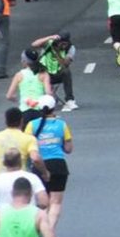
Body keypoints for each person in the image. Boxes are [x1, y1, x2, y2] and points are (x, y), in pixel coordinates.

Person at [25, 96, 72, 228]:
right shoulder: (62, 125)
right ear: (54, 107)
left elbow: (27, 145)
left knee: (41, 203)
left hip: (39, 166)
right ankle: (49, 230)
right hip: (59, 165)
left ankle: (40, 229)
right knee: (55, 202)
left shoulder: (32, 125)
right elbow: (68, 149)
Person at [6, 50, 51, 126]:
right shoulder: (43, 73)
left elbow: (9, 96)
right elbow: (48, 93)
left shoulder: (19, 75)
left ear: (24, 61)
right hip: (39, 109)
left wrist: (15, 98)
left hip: (24, 110)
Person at [32, 34, 77, 108]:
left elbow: (65, 64)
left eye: (66, 44)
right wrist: (49, 38)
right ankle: (43, 98)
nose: (64, 46)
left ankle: (69, 100)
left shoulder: (71, 48)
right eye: (62, 44)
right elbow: (34, 44)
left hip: (57, 73)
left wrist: (57, 53)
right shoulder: (49, 43)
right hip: (44, 73)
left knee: (67, 72)